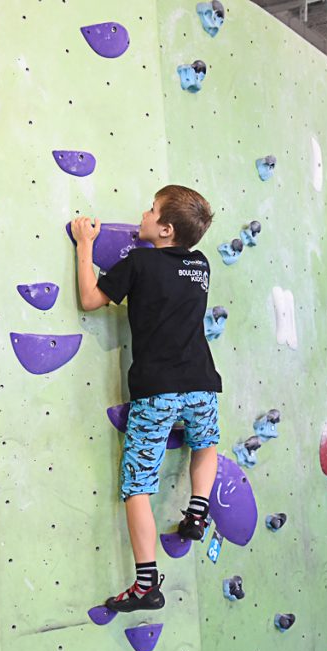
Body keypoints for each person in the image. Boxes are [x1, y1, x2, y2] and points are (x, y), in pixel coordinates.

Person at [72, 184, 222, 613]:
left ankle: (145, 586)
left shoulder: (138, 263)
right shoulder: (201, 265)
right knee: (205, 445)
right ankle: (197, 510)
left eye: (151, 210)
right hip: (202, 384)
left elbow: (90, 299)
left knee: (138, 487)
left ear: (166, 228)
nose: (143, 213)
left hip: (157, 392)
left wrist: (87, 245)